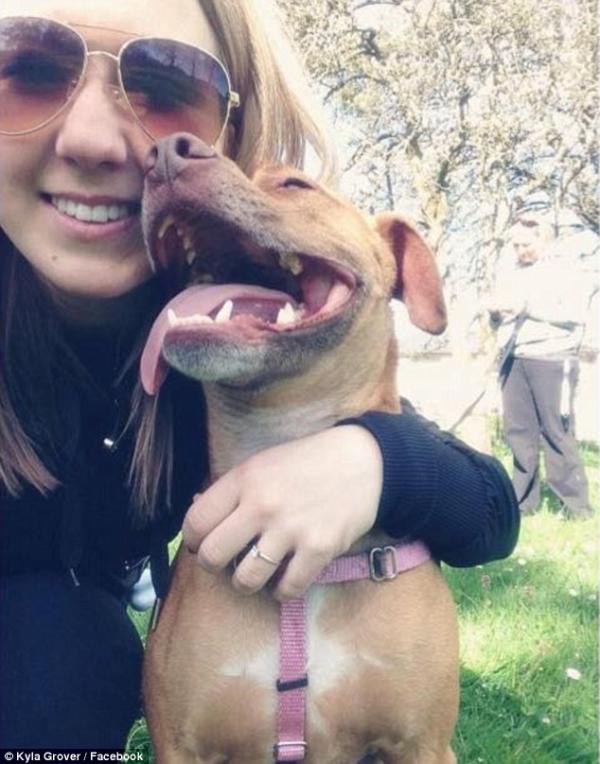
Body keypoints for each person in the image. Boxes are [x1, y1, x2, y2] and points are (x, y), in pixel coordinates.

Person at [0, 0, 519, 750]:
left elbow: (490, 505)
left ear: (230, 136)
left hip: (77, 625)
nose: (91, 137)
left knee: (65, 648)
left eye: (168, 84)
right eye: (30, 71)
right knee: (56, 646)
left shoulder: (214, 349)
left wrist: (373, 460)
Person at [488, 214, 595, 518]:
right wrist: (495, 314)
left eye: (525, 244)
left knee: (557, 433)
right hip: (515, 359)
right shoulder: (510, 272)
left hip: (553, 358)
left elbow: (575, 313)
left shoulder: (567, 270)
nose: (519, 250)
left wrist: (527, 307)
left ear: (544, 239)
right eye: (515, 245)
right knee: (518, 433)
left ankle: (576, 508)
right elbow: (503, 317)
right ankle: (522, 504)